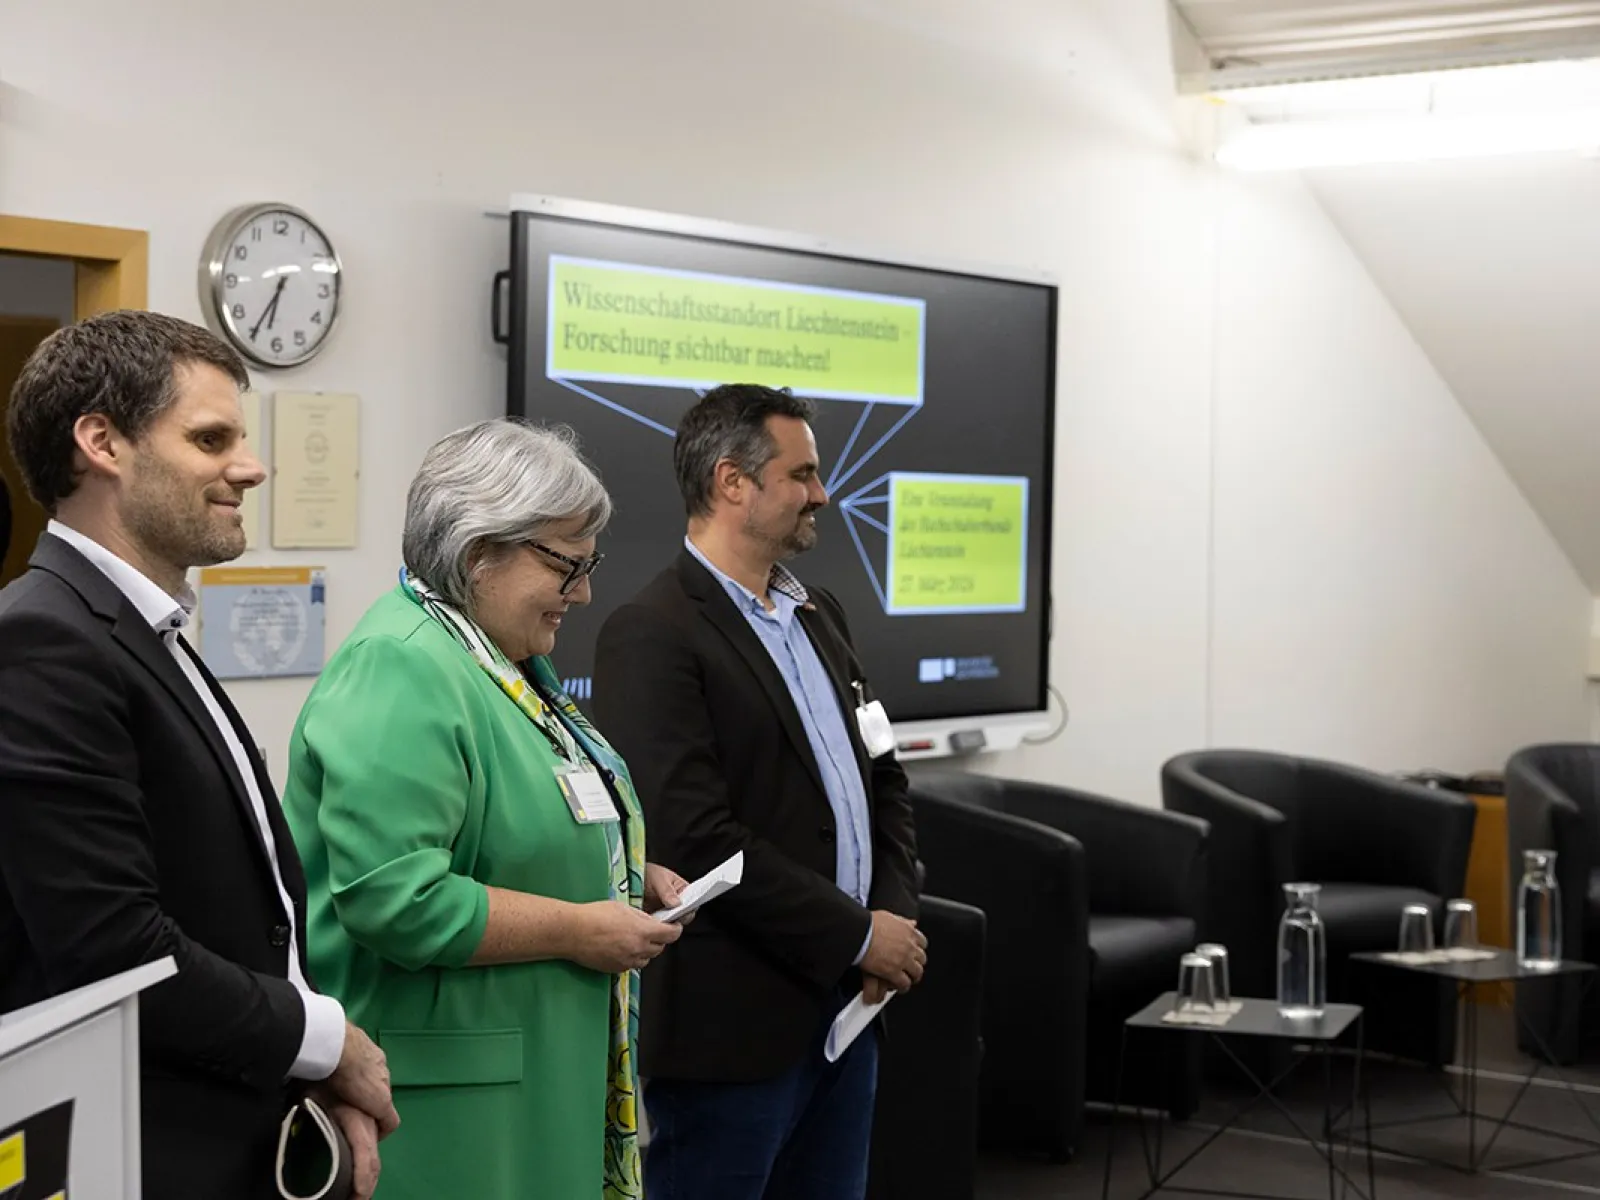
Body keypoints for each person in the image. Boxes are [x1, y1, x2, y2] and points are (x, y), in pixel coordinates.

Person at [0, 310, 397, 1200]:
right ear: (101, 442)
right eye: (211, 438)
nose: (251, 468)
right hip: (145, 1150)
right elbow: (113, 950)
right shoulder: (41, 640)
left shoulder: (143, 629)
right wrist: (323, 1039)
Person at [281, 419, 687, 1200]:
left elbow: (523, 836)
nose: (587, 591)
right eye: (569, 564)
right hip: (446, 1113)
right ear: (478, 555)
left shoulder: (499, 663)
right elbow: (397, 898)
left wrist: (629, 879)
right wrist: (581, 926)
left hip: (531, 1089)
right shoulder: (402, 664)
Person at [594, 383, 926, 1200]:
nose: (822, 493)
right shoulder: (652, 632)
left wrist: (891, 919)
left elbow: (883, 775)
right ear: (731, 482)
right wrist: (857, 934)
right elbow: (696, 835)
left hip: (846, 1017)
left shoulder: (823, 614)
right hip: (732, 1037)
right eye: (803, 474)